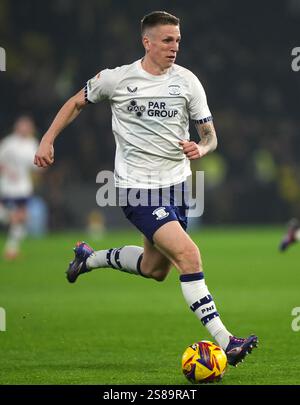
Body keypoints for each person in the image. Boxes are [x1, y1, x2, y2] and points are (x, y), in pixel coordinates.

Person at [34, 11, 258, 366]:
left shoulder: (187, 82)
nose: (175, 47)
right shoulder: (117, 79)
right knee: (189, 256)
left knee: (156, 269)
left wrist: (202, 148)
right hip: (137, 189)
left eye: (178, 40)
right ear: (147, 42)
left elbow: (211, 136)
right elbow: (76, 102)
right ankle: (227, 340)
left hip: (178, 187)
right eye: (168, 40)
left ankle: (88, 259)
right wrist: (47, 139)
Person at [0, 115, 39, 259]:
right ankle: (10, 219)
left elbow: (37, 166)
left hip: (23, 187)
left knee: (21, 217)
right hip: (8, 186)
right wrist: (7, 172)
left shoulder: (32, 144)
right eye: (23, 125)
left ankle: (11, 249)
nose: (25, 128)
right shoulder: (8, 143)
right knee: (13, 216)